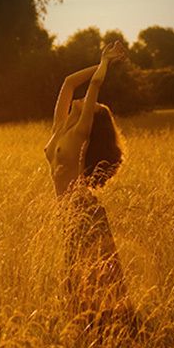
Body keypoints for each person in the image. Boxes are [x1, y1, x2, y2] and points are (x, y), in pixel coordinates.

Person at [44, 41, 135, 327]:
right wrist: (100, 62)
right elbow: (69, 82)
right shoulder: (61, 127)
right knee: (77, 273)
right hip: (68, 211)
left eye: (92, 102)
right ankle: (92, 326)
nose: (87, 99)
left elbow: (94, 84)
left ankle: (110, 326)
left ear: (91, 118)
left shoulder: (81, 131)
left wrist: (106, 64)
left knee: (90, 274)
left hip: (83, 210)